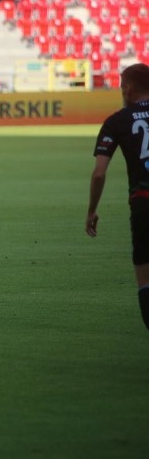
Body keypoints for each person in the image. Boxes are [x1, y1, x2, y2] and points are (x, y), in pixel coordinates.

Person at [86, 63, 149, 332]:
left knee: (145, 278)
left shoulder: (117, 121)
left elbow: (99, 174)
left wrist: (92, 210)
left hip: (143, 202)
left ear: (128, 89)